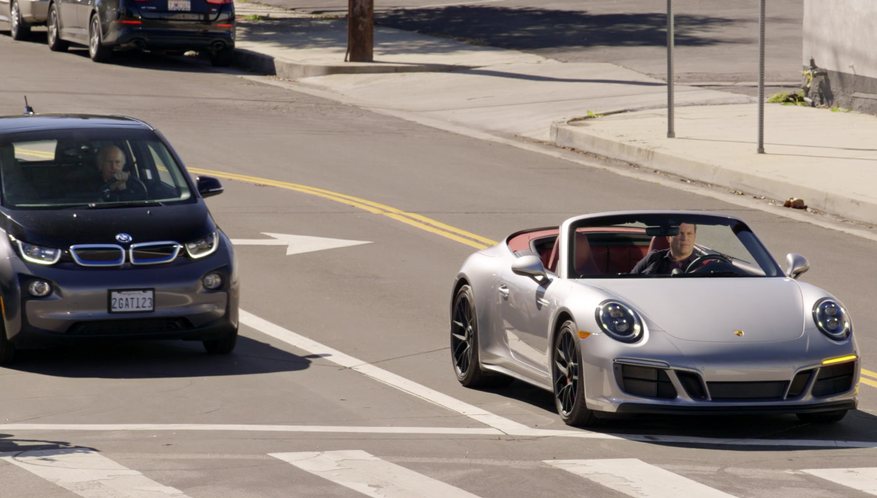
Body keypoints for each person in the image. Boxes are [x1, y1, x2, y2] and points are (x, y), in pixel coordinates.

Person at [630, 223, 698, 275]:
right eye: (680, 233)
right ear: (668, 238)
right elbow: (629, 281)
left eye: (689, 234)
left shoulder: (703, 265)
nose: (685, 238)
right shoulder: (652, 258)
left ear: (694, 237)